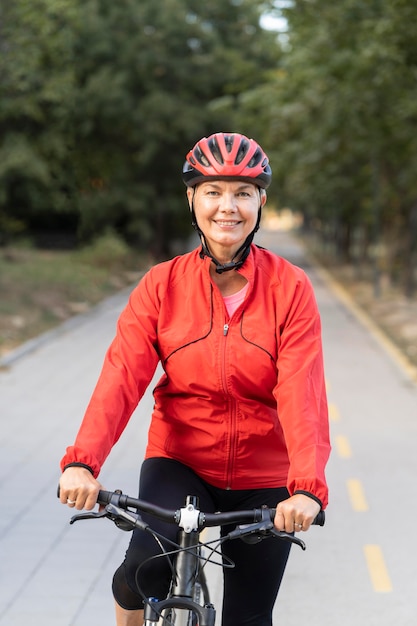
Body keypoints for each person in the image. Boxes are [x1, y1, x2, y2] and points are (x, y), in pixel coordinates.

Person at [59, 132, 331, 626]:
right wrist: (83, 462)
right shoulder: (161, 285)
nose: (227, 206)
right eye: (213, 191)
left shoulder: (290, 287)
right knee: (143, 570)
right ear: (192, 198)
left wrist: (306, 489)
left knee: (248, 618)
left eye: (243, 193)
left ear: (261, 201)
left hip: (266, 476)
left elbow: (302, 390)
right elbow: (122, 376)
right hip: (181, 461)